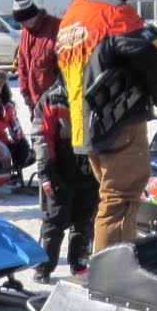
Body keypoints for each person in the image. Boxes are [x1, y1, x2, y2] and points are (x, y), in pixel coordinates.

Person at [56, 0, 157, 252]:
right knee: (120, 200)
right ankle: (113, 273)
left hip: (85, 127)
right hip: (119, 122)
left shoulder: (71, 18)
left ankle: (113, 265)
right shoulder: (114, 12)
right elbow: (148, 55)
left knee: (111, 198)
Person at [31, 78, 97, 280]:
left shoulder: (95, 90)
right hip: (59, 165)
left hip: (90, 163)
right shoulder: (53, 97)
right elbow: (41, 136)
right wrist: (46, 170)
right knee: (55, 218)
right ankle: (44, 265)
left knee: (84, 220)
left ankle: (79, 263)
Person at [11, 0, 60, 121]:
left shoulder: (55, 28)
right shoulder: (26, 33)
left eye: (22, 21)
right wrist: (25, 93)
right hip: (35, 101)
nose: (21, 26)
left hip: (55, 100)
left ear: (31, 16)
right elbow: (22, 64)